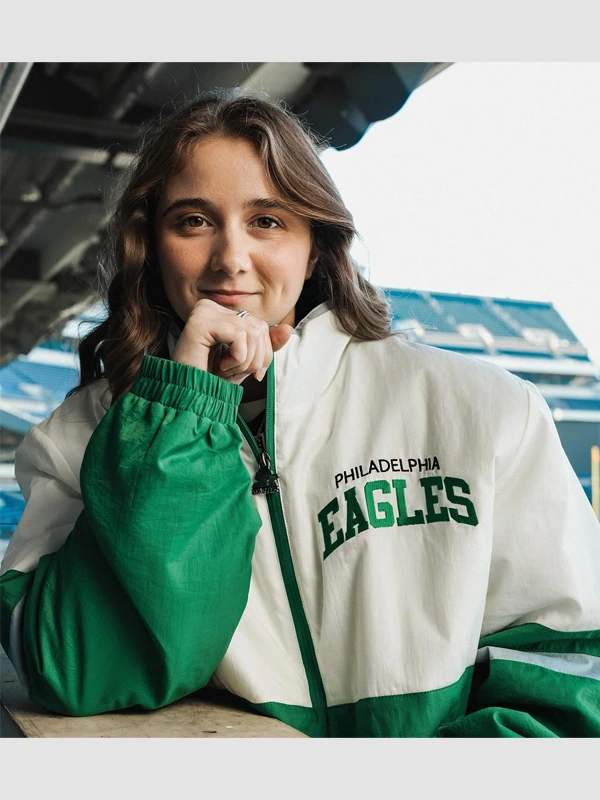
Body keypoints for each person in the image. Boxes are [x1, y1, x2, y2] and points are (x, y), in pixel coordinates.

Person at [1, 90, 599, 739]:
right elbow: (78, 672)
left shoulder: (483, 409)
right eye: (194, 221)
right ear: (150, 246)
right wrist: (183, 415)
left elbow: (571, 679)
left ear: (315, 245)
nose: (231, 258)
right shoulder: (76, 438)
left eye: (267, 221)